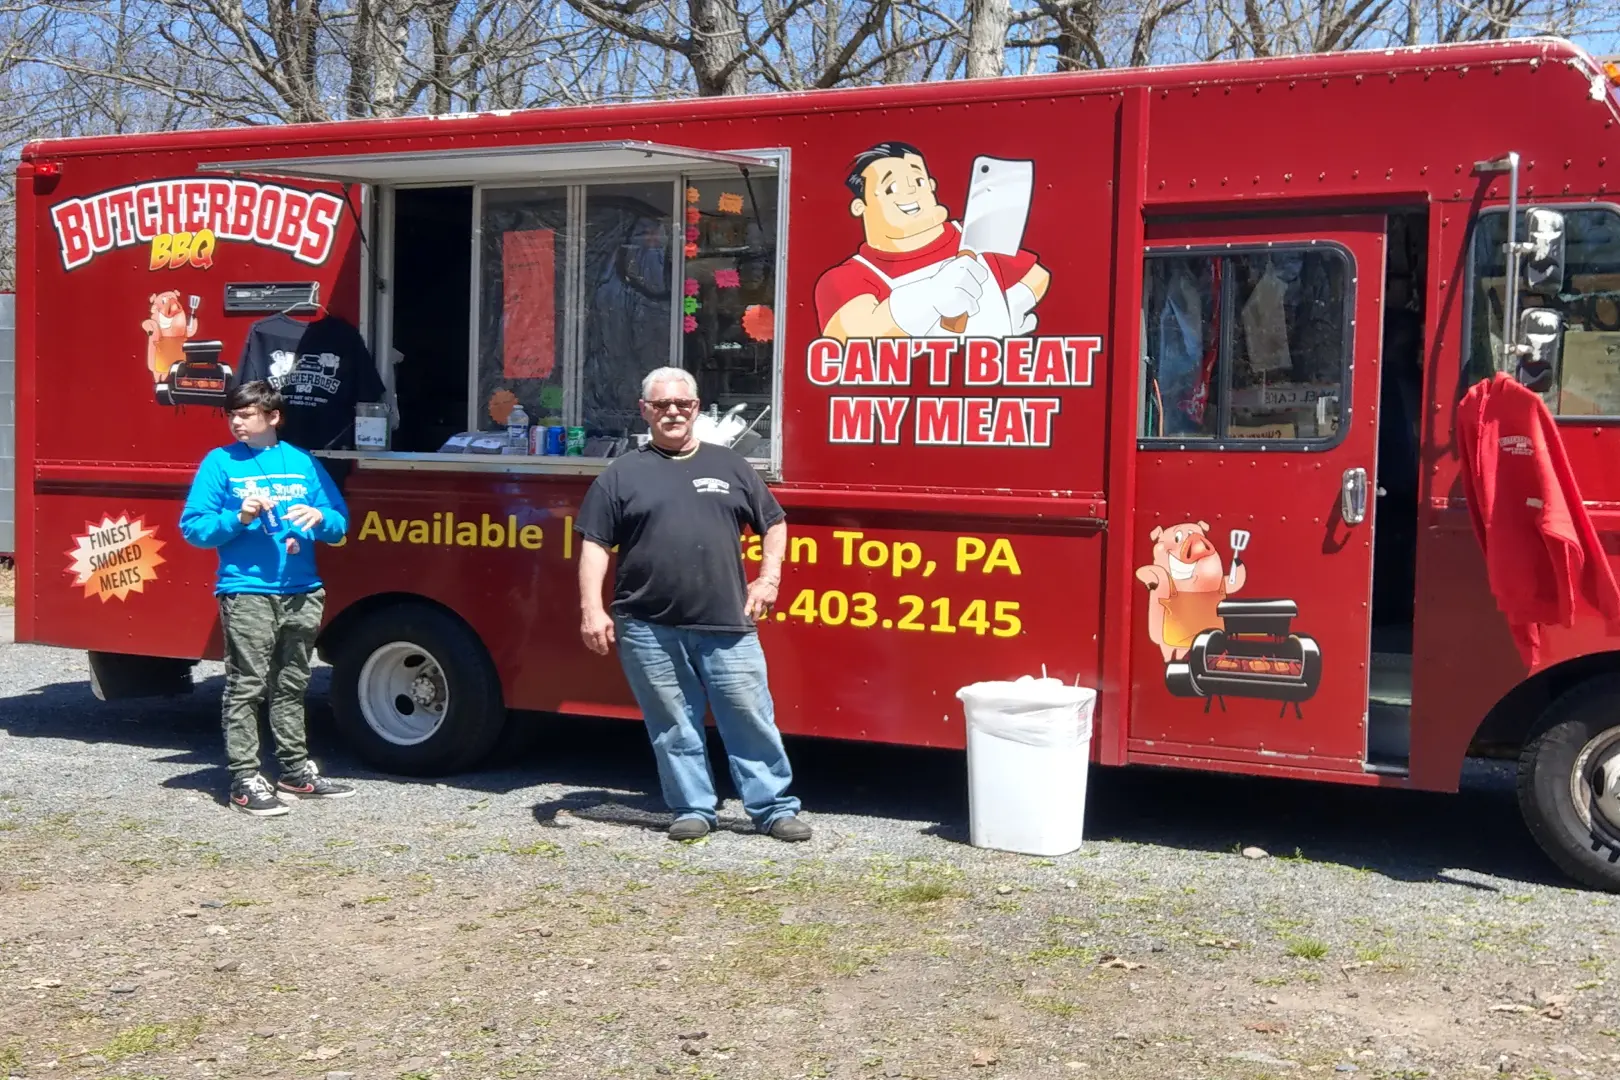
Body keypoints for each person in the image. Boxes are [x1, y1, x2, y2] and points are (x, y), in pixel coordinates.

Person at [575, 367, 810, 842]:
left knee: (749, 716)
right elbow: (595, 544)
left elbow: (775, 523)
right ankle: (693, 809)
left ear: (697, 408)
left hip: (727, 621)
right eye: (661, 405)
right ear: (645, 411)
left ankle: (773, 808)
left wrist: (768, 579)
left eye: (682, 404)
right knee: (672, 722)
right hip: (647, 625)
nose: (673, 412)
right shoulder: (621, 474)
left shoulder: (731, 465)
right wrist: (591, 609)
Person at [180, 381, 356, 816]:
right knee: (247, 687)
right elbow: (194, 528)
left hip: (301, 591)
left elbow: (338, 524)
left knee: (292, 684)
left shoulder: (301, 463)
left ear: (273, 417)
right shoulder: (220, 464)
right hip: (247, 591)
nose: (237, 422)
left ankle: (295, 771)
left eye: (247, 414)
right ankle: (244, 779)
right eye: (233, 415)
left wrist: (320, 517)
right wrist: (237, 517)